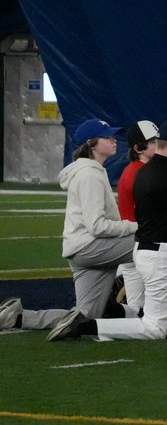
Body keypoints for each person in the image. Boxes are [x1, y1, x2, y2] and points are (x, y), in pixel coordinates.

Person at [48, 119, 167, 342]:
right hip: (159, 254)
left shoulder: (147, 171)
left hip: (152, 250)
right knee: (154, 328)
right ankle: (87, 326)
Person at [6, 120, 141, 333]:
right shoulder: (89, 175)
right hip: (91, 247)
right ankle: (160, 312)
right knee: (154, 243)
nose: (114, 140)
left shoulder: (91, 171)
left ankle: (20, 318)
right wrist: (134, 227)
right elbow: (97, 226)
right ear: (92, 143)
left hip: (82, 250)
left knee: (86, 315)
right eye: (107, 137)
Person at [115, 119, 158, 310]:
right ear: (139, 148)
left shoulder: (141, 170)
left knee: (136, 305)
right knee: (137, 305)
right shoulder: (138, 172)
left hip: (138, 239)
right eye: (154, 141)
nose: (159, 145)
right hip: (138, 240)